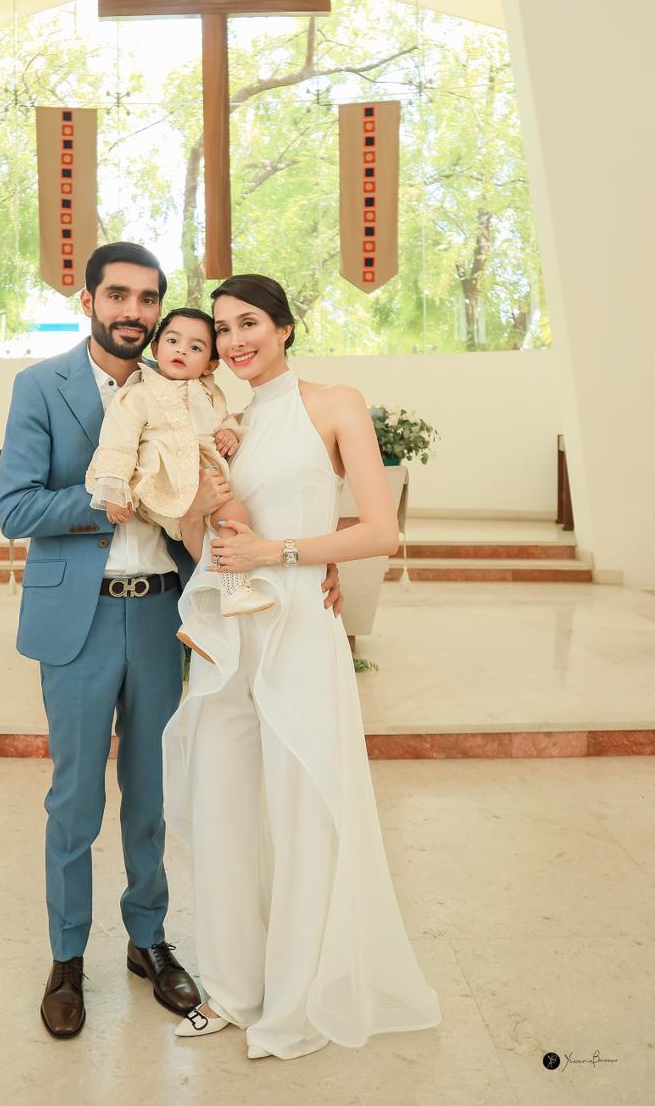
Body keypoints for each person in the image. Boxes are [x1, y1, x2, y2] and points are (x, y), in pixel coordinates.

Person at [164, 273, 443, 1061]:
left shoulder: (335, 402)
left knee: (301, 808)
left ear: (284, 327)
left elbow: (380, 532)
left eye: (247, 323)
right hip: (229, 640)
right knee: (222, 810)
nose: (232, 341)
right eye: (220, 329)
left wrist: (282, 552)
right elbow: (201, 547)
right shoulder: (224, 424)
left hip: (299, 633)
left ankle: (296, 994)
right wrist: (197, 503)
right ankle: (230, 988)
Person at [0, 243, 224, 1040]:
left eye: (148, 298)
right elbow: (15, 509)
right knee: (75, 802)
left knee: (152, 796)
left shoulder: (189, 392)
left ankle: (148, 941)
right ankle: (66, 958)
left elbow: (218, 500)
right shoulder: (40, 387)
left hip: (162, 614)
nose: (134, 310)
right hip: (79, 620)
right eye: (118, 294)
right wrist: (105, 504)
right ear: (87, 299)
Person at [84, 306, 274, 632]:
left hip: (205, 481)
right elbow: (118, 440)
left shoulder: (211, 394)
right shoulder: (138, 393)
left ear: (210, 365)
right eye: (173, 340)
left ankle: (222, 593)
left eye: (196, 347)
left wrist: (229, 431)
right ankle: (227, 590)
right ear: (155, 347)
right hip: (164, 484)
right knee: (228, 519)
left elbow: (222, 422)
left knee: (236, 518)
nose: (182, 350)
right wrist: (114, 488)